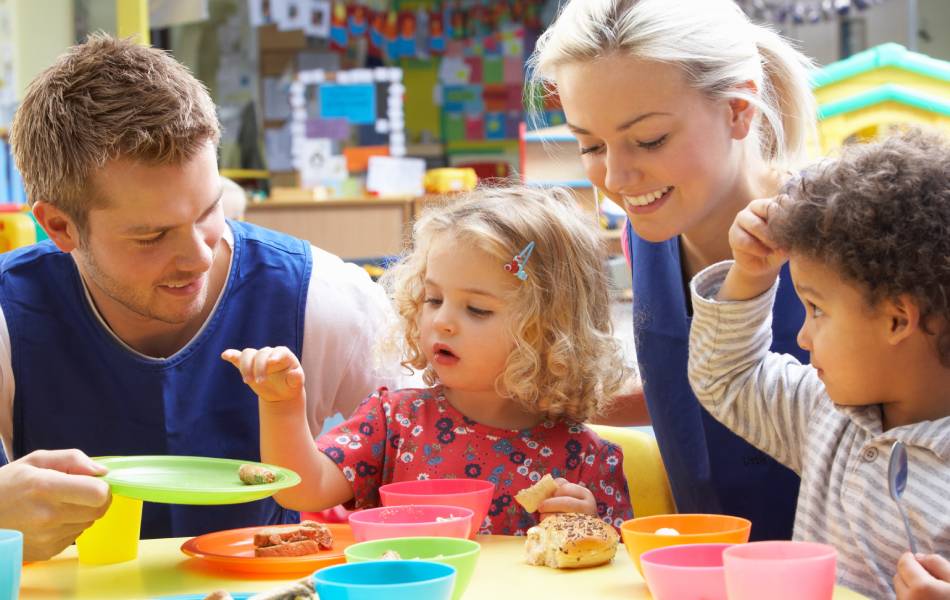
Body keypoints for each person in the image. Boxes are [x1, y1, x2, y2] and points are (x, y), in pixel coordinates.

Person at [2, 34, 399, 556]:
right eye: (151, 236)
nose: (199, 256)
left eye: (209, 211)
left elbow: (433, 467)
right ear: (59, 226)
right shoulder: (9, 314)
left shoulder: (326, 297)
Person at [526, 0, 817, 540]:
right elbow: (690, 389)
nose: (616, 176)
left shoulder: (840, 234)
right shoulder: (647, 231)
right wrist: (542, 395)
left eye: (650, 139)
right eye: (589, 144)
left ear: (738, 109)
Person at [223, 186, 634, 533]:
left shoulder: (588, 460)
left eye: (477, 309)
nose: (442, 321)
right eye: (433, 298)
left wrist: (588, 523)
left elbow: (613, 574)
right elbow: (301, 490)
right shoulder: (393, 421)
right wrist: (282, 407)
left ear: (551, 334)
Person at [687, 129, 950, 599]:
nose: (803, 336)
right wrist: (750, 275)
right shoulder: (826, 415)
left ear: (897, 319)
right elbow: (725, 377)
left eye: (816, 308)